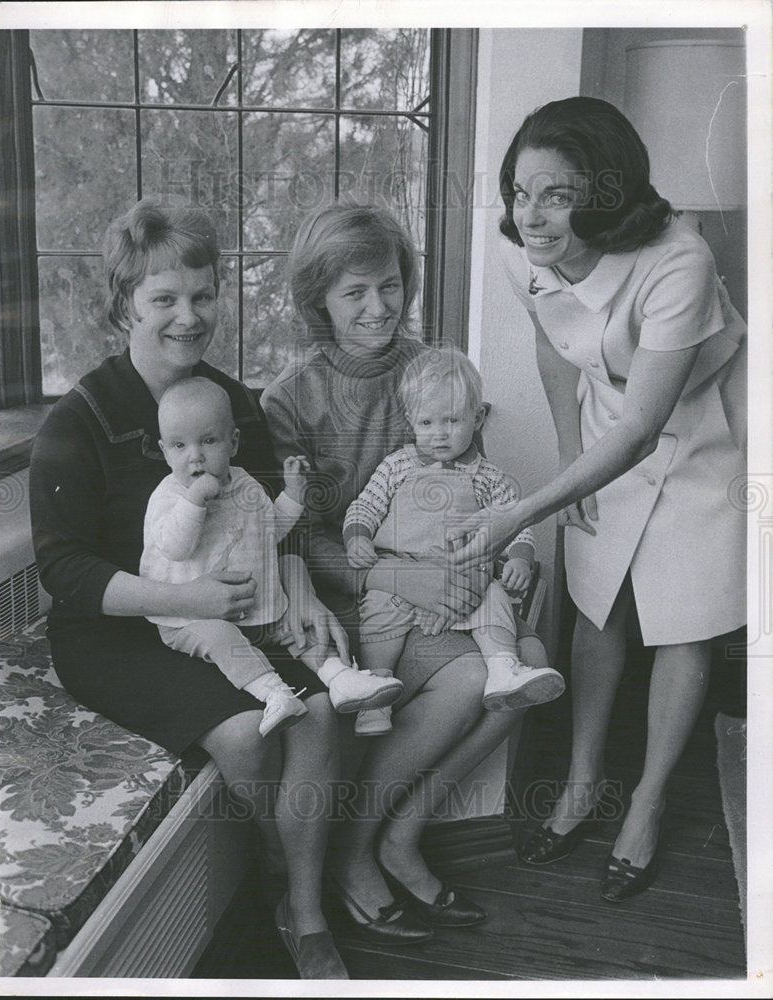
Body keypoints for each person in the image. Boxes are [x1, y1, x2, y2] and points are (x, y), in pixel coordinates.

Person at [29, 201, 350, 978]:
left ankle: (304, 914)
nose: (188, 316)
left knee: (318, 713)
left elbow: (271, 527)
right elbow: (64, 574)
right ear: (123, 305)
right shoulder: (78, 420)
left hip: (233, 617)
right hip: (117, 631)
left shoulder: (234, 405)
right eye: (164, 298)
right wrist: (190, 600)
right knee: (247, 732)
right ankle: (282, 864)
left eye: (203, 295)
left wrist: (306, 598)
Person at [447, 96, 746, 903]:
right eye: (519, 190)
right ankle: (582, 782)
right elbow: (556, 351)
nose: (531, 215)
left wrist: (525, 509)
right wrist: (569, 454)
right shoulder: (523, 250)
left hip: (706, 423)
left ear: (603, 196)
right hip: (608, 423)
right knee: (597, 601)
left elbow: (649, 426)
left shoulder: (677, 260)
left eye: (557, 194)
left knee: (686, 619)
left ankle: (646, 802)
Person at [261, 204, 550, 941]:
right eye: (353, 292)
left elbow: (477, 483)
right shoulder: (290, 399)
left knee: (531, 664)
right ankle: (358, 852)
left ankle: (394, 836)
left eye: (388, 285)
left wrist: (504, 554)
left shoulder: (431, 374)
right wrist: (390, 580)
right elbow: (293, 541)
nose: (377, 307)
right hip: (343, 600)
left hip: (435, 589)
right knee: (472, 678)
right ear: (319, 300)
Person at [140, 375, 404, 738]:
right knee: (221, 638)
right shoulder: (169, 496)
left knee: (299, 628)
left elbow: (270, 532)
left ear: (233, 443)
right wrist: (194, 502)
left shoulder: (245, 484)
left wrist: (294, 495)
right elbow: (174, 547)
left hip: (254, 606)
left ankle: (342, 678)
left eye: (209, 441)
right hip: (189, 618)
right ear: (164, 450)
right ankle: (275, 694)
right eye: (179, 445)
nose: (195, 455)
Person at [343, 346, 565, 736]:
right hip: (403, 571)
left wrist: (519, 558)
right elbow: (365, 506)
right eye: (427, 422)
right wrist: (357, 536)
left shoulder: (488, 476)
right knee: (378, 612)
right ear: (411, 419)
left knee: (494, 599)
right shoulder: (397, 466)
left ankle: (502, 669)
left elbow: (517, 521)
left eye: (452, 420)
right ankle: (375, 693)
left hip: (465, 577)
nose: (439, 433)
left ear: (477, 418)